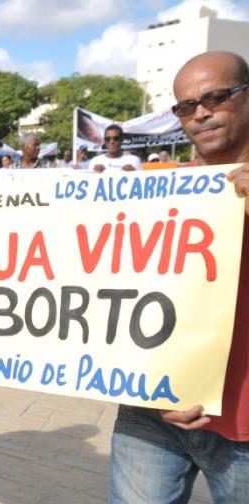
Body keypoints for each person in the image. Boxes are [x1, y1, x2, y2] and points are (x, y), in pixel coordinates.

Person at [109, 51, 249, 503]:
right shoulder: (163, 194)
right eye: (186, 106)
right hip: (151, 411)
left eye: (216, 97)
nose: (201, 113)